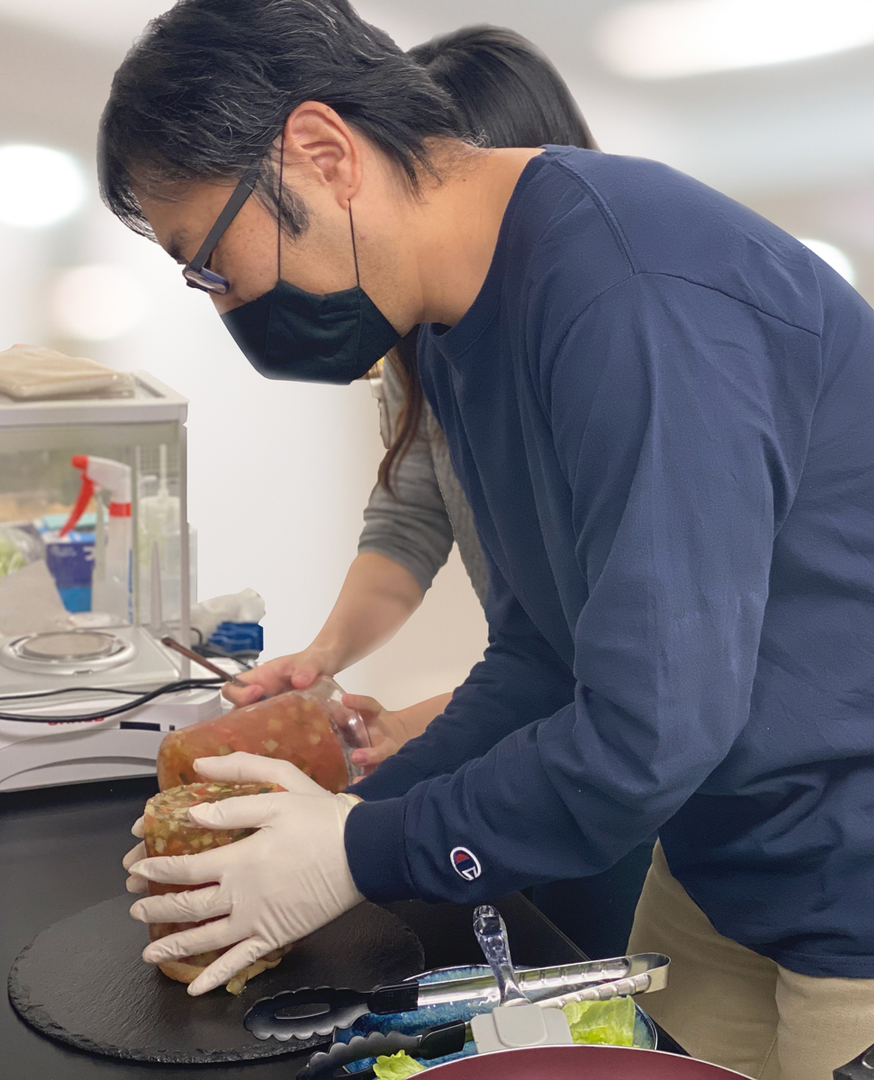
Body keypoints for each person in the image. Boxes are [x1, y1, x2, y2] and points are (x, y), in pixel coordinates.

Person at [107, 2, 874, 1077]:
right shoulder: (454, 325)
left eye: (211, 264)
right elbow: (542, 655)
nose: (225, 306)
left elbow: (648, 730)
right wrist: (329, 823)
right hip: (732, 841)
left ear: (322, 153)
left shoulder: (636, 292)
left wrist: (355, 851)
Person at [209, 23, 651, 962]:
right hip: (561, 708)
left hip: (620, 748)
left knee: (596, 954)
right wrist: (325, 660)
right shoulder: (429, 351)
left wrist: (409, 745)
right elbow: (417, 527)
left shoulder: (600, 342)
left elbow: (618, 677)